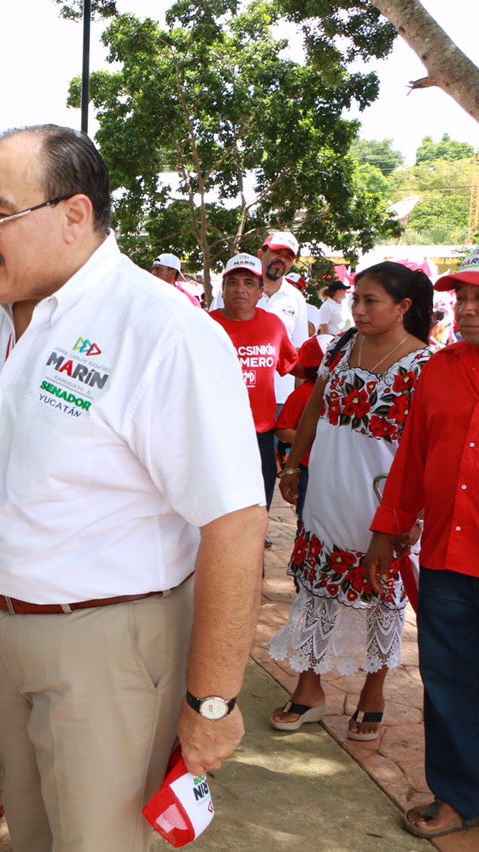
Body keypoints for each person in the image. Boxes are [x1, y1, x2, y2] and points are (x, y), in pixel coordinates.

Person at [0, 125, 267, 850]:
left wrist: (212, 700)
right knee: (29, 831)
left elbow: (234, 525)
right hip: (2, 627)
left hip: (112, 644)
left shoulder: (163, 333)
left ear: (75, 216)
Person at [270, 262, 433, 743]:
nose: (357, 309)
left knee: (382, 595)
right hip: (328, 490)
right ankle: (309, 690)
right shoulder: (341, 346)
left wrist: (416, 514)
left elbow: (429, 447)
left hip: (384, 502)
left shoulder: (425, 365)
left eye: (370, 301)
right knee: (316, 587)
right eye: (356, 299)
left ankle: (373, 693)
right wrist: (294, 464)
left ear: (404, 307)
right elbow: (316, 406)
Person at [364, 250, 479, 841]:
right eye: (461, 297)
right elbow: (413, 458)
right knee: (450, 680)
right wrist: (389, 527)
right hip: (447, 558)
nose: (466, 309)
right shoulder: (440, 368)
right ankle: (457, 796)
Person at [209, 253, 299, 519]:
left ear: (261, 291)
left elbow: (293, 367)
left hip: (259, 436)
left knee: (257, 512)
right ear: (223, 289)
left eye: (249, 283)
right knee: (213, 514)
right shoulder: (204, 325)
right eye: (233, 282)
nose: (240, 289)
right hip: (214, 435)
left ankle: (251, 560)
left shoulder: (273, 325)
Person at [274, 333, 333, 522]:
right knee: (307, 519)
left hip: (336, 469)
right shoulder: (302, 394)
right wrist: (311, 439)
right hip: (309, 467)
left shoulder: (344, 392)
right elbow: (282, 428)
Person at [257, 232, 310, 404]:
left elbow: (299, 351)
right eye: (277, 252)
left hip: (280, 396)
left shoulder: (296, 297)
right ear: (260, 254)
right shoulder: (234, 289)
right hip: (236, 393)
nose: (282, 259)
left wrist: (299, 400)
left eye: (288, 257)